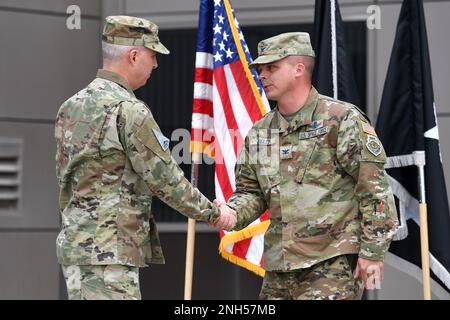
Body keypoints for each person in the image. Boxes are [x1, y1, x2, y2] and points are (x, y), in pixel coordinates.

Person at [54, 15, 236, 300]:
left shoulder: (70, 107)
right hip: (110, 252)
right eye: (152, 55)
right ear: (134, 55)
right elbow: (166, 181)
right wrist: (215, 214)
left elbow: (65, 178)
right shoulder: (129, 111)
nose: (156, 64)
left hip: (76, 247)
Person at [214, 32, 398, 300]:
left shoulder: (340, 119)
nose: (263, 75)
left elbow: (375, 191)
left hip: (330, 263)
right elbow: (251, 193)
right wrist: (231, 213)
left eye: (272, 67)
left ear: (299, 69)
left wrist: (372, 253)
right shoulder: (260, 132)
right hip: (279, 267)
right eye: (261, 69)